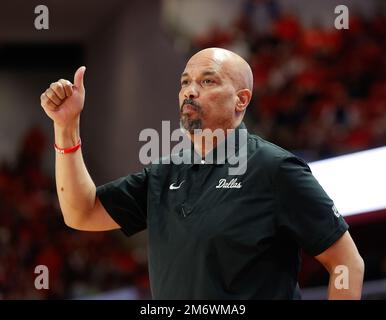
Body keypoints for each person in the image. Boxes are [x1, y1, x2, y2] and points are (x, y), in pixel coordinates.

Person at [40, 47, 364, 299]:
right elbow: (80, 212)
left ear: (241, 100)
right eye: (185, 82)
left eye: (207, 81)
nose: (189, 91)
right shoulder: (163, 174)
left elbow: (346, 264)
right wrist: (66, 127)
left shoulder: (274, 169)